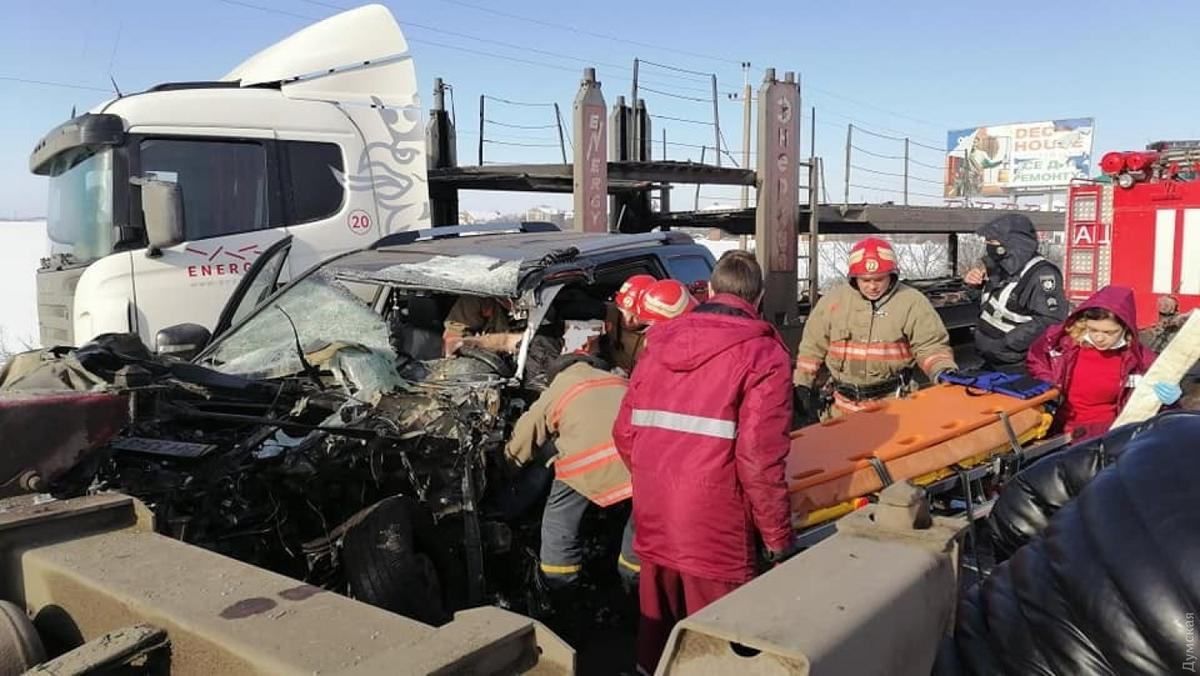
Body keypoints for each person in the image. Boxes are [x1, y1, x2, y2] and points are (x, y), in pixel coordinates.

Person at [612, 250, 794, 675]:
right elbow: (759, 459)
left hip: (656, 515)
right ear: (760, 297)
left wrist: (657, 481)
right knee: (717, 644)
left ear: (709, 291)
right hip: (718, 529)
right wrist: (778, 537)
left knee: (656, 634)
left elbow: (624, 434)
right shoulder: (764, 355)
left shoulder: (657, 345)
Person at [503, 320, 640, 600]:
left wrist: (506, 468)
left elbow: (527, 436)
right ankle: (634, 581)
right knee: (640, 521)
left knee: (558, 519)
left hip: (589, 466)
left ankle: (559, 583)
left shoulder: (561, 384)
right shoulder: (619, 377)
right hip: (638, 464)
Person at [794, 237, 957, 421]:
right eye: (865, 280)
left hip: (895, 406)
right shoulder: (833, 303)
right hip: (841, 409)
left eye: (879, 279)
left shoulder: (912, 302)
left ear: (892, 275)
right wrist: (802, 385)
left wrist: (943, 372)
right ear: (854, 278)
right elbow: (811, 348)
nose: (872, 286)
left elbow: (930, 346)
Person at [1026, 285, 1179, 441]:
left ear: (1126, 328)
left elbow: (1153, 406)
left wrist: (1169, 403)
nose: (1099, 338)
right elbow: (1036, 359)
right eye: (1093, 330)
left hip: (1107, 434)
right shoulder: (1062, 344)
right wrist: (1048, 384)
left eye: (1109, 332)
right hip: (1056, 429)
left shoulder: (1139, 360)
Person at [964, 214, 1067, 374]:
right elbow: (992, 305)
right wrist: (974, 286)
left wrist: (1006, 343)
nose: (988, 246)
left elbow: (1051, 320)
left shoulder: (1042, 275)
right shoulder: (1001, 267)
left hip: (1019, 364)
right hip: (992, 359)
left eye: (992, 242)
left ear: (1010, 243)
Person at [441, 295, 524, 356]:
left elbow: (520, 342)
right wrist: (459, 343)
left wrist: (478, 342)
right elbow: (452, 339)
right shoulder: (481, 299)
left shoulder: (535, 308)